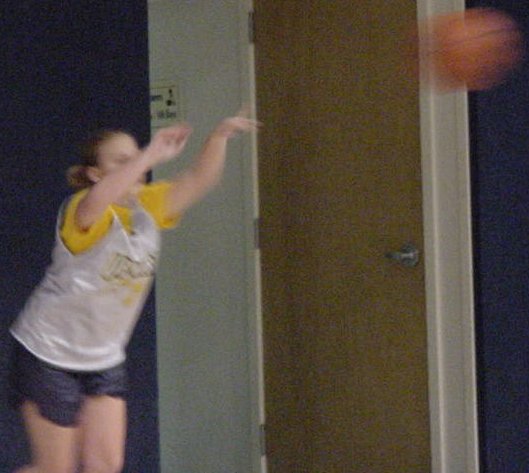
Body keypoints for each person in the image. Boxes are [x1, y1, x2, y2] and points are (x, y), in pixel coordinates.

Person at [9, 110, 259, 473]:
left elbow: (198, 180)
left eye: (136, 157)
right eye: (122, 161)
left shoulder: (148, 206)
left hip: (103, 357)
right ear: (95, 174)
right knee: (55, 469)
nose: (137, 167)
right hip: (48, 353)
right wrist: (149, 154)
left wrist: (218, 137)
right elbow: (97, 201)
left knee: (105, 465)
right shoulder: (83, 209)